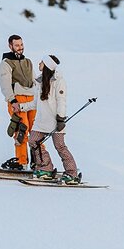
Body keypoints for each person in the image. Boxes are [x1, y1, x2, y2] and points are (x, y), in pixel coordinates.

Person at [29, 54, 80, 184]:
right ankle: (45, 168)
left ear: (46, 65)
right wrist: (21, 107)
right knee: (34, 141)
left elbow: (61, 101)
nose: (38, 63)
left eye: (41, 62)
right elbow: (35, 103)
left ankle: (72, 173)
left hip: (56, 122)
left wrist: (61, 119)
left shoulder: (59, 81)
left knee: (60, 146)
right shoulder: (39, 81)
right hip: (41, 122)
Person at [0, 34, 37, 170]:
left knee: (36, 131)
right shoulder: (6, 64)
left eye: (21, 44)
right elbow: (5, 85)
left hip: (31, 99)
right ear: (10, 46)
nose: (20, 48)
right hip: (17, 100)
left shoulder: (28, 62)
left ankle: (40, 162)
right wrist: (12, 100)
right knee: (22, 130)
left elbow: (34, 81)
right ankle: (21, 162)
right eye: (17, 45)